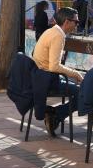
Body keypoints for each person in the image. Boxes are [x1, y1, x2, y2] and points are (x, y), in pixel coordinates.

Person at [32, 7, 84, 137]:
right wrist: (75, 74)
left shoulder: (51, 31)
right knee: (83, 93)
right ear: (67, 22)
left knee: (77, 88)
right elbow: (54, 66)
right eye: (76, 22)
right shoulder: (58, 36)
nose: (77, 24)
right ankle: (56, 114)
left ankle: (53, 113)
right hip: (47, 80)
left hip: (39, 77)